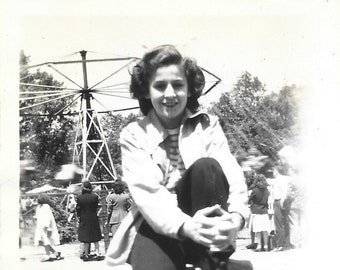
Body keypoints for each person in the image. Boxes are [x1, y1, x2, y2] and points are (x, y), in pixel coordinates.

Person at [105, 45, 249, 270]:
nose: (170, 94)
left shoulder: (207, 125)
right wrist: (187, 226)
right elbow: (148, 195)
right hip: (156, 224)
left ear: (190, 89)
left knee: (207, 166)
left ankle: (215, 261)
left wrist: (237, 218)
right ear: (146, 91)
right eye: (160, 86)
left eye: (178, 85)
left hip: (205, 222)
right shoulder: (133, 134)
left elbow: (232, 174)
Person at [76, 181, 104, 261]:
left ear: (83, 187)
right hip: (93, 216)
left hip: (84, 217)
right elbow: (95, 207)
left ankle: (86, 255)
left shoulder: (79, 197)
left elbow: (78, 208)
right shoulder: (94, 197)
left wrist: (79, 216)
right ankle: (97, 253)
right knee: (95, 235)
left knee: (85, 237)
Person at [34, 193, 63, 262]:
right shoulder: (39, 207)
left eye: (39, 198)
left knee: (45, 241)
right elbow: (38, 215)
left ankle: (47, 256)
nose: (37, 199)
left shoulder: (46, 206)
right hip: (40, 226)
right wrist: (35, 217)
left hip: (45, 227)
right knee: (41, 242)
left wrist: (47, 227)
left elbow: (48, 217)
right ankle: (56, 253)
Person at [248, 174, 271, 252]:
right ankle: (266, 246)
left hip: (256, 211)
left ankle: (258, 246)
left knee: (258, 230)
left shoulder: (255, 190)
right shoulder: (267, 190)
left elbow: (250, 199)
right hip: (264, 211)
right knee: (265, 230)